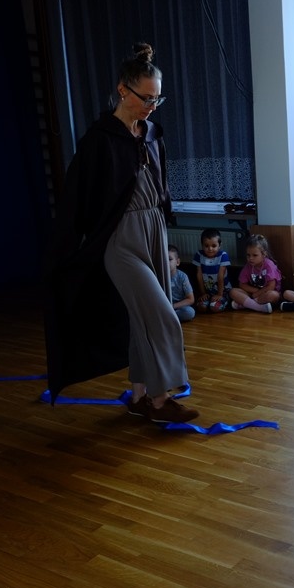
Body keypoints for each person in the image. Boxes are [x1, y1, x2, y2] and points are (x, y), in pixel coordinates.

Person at [43, 42, 198, 423]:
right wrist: (67, 252)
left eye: (158, 99)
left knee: (141, 319)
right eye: (146, 98)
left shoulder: (152, 134)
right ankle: (161, 401)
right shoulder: (99, 140)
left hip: (154, 230)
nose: (152, 106)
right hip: (121, 238)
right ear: (122, 90)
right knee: (162, 315)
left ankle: (140, 396)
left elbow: (160, 184)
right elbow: (78, 199)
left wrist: (163, 216)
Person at [229, 234, 281, 313]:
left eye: (255, 255)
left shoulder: (269, 265)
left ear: (264, 254)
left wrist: (258, 293)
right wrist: (255, 291)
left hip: (266, 293)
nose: (250, 258)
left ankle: (246, 304)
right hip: (253, 293)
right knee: (233, 292)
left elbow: (271, 286)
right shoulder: (248, 266)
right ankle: (258, 307)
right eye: (248, 255)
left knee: (274, 295)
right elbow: (242, 284)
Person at [194, 228, 232, 313]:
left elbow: (221, 276)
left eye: (214, 246)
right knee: (201, 307)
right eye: (206, 246)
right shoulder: (199, 255)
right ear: (202, 245)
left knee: (215, 308)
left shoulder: (223, 255)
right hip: (208, 290)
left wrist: (219, 294)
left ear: (219, 245)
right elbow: (199, 275)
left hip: (223, 290)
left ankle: (223, 300)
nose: (210, 249)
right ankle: (209, 300)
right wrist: (203, 293)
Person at [167, 244, 195, 323]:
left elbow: (191, 299)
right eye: (163, 259)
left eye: (169, 259)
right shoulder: (158, 276)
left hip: (178, 307)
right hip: (163, 306)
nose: (166, 262)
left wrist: (172, 306)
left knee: (189, 312)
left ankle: (168, 317)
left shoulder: (182, 277)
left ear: (177, 262)